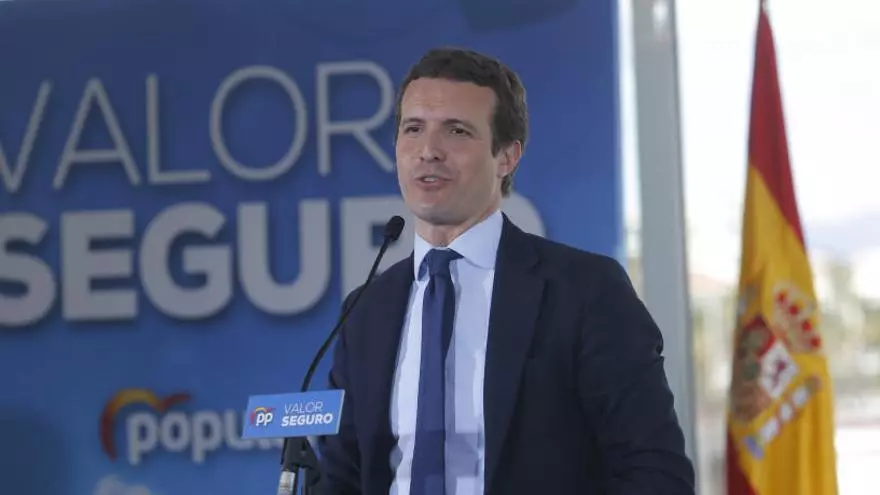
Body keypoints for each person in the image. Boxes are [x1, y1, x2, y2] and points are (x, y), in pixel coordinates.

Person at [317, 46, 695, 495]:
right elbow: (339, 479)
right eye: (413, 129)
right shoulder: (366, 310)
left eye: (457, 131)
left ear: (507, 157)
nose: (428, 151)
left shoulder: (584, 292)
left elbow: (656, 472)